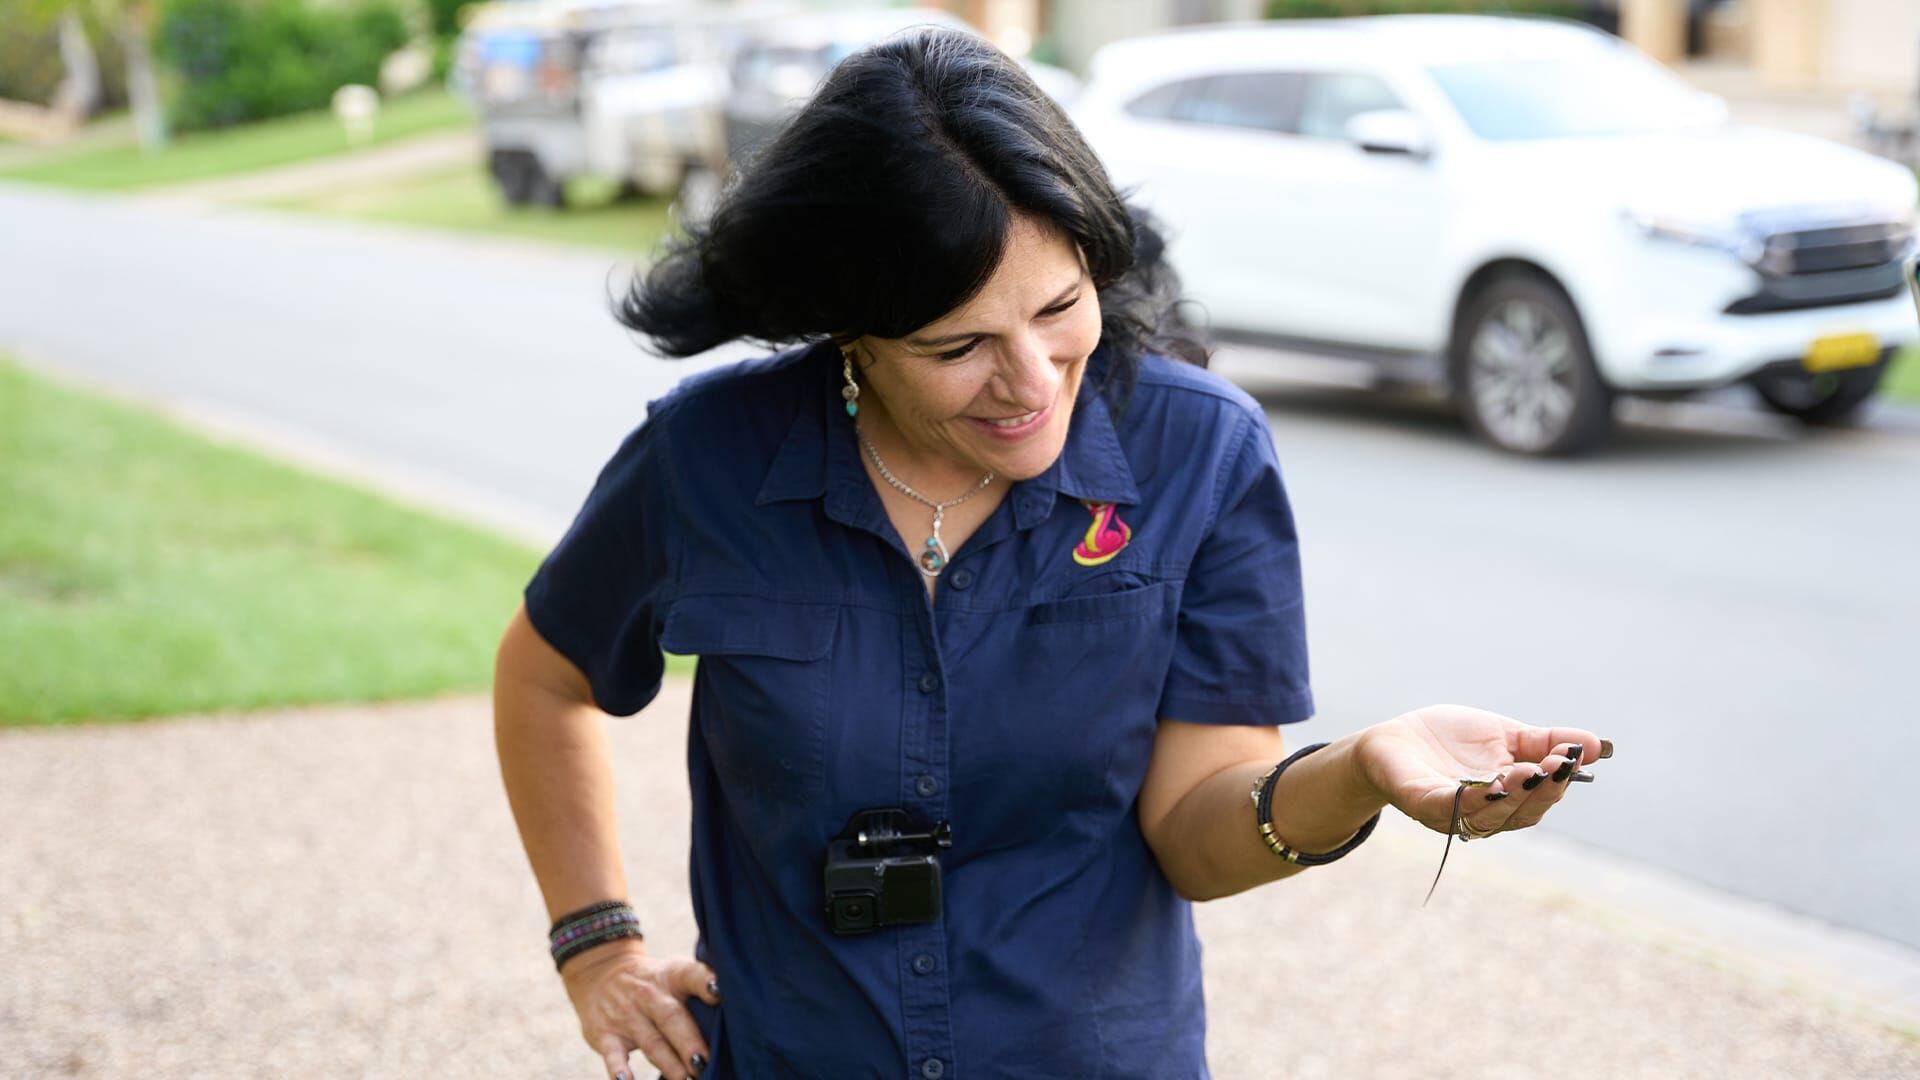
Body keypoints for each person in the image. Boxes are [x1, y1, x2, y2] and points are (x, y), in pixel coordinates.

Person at [492, 26, 1608, 1080]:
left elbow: (1196, 831)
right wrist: (597, 944)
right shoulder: (707, 457)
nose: (1031, 380)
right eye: (958, 345)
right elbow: (545, 677)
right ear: (851, 334)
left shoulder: (1200, 450)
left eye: (1059, 308)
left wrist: (1359, 769)